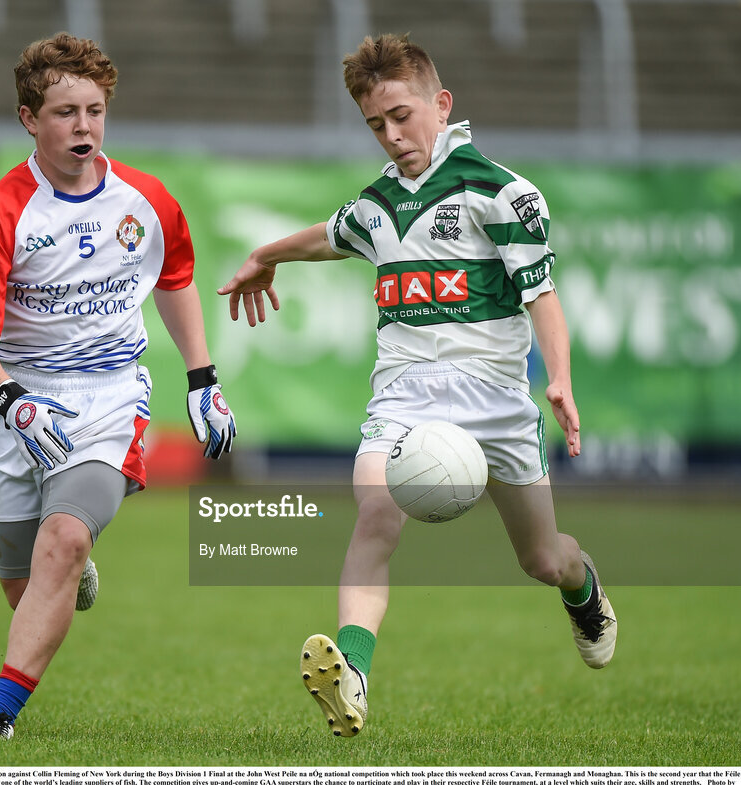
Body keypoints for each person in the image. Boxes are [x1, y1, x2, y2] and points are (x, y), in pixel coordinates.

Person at [218, 32, 615, 738]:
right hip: (404, 393)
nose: (392, 135)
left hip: (495, 401)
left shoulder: (503, 192)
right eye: (376, 124)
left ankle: (583, 589)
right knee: (375, 516)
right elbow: (330, 234)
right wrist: (264, 255)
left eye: (402, 115)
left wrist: (558, 378)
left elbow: (543, 296)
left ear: (442, 103)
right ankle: (356, 675)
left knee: (541, 557)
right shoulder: (378, 202)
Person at [0, 32, 236, 741]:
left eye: (95, 110)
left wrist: (202, 379)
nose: (83, 126)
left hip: (109, 398)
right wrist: (13, 404)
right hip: (17, 403)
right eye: (64, 112)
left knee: (65, 539)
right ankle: (67, 573)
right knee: (26, 581)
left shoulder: (147, 200)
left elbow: (175, 281)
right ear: (27, 119)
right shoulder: (1, 213)